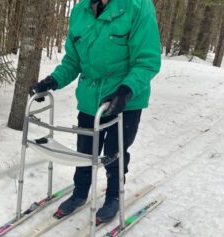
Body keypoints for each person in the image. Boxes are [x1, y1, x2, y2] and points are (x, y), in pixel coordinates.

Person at [30, 0, 161, 223]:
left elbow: (147, 60)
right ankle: (80, 193)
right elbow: (73, 61)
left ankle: (112, 197)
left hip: (125, 98)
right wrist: (52, 81)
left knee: (114, 152)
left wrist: (125, 92)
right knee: (85, 151)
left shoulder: (138, 6)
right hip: (91, 100)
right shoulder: (81, 11)